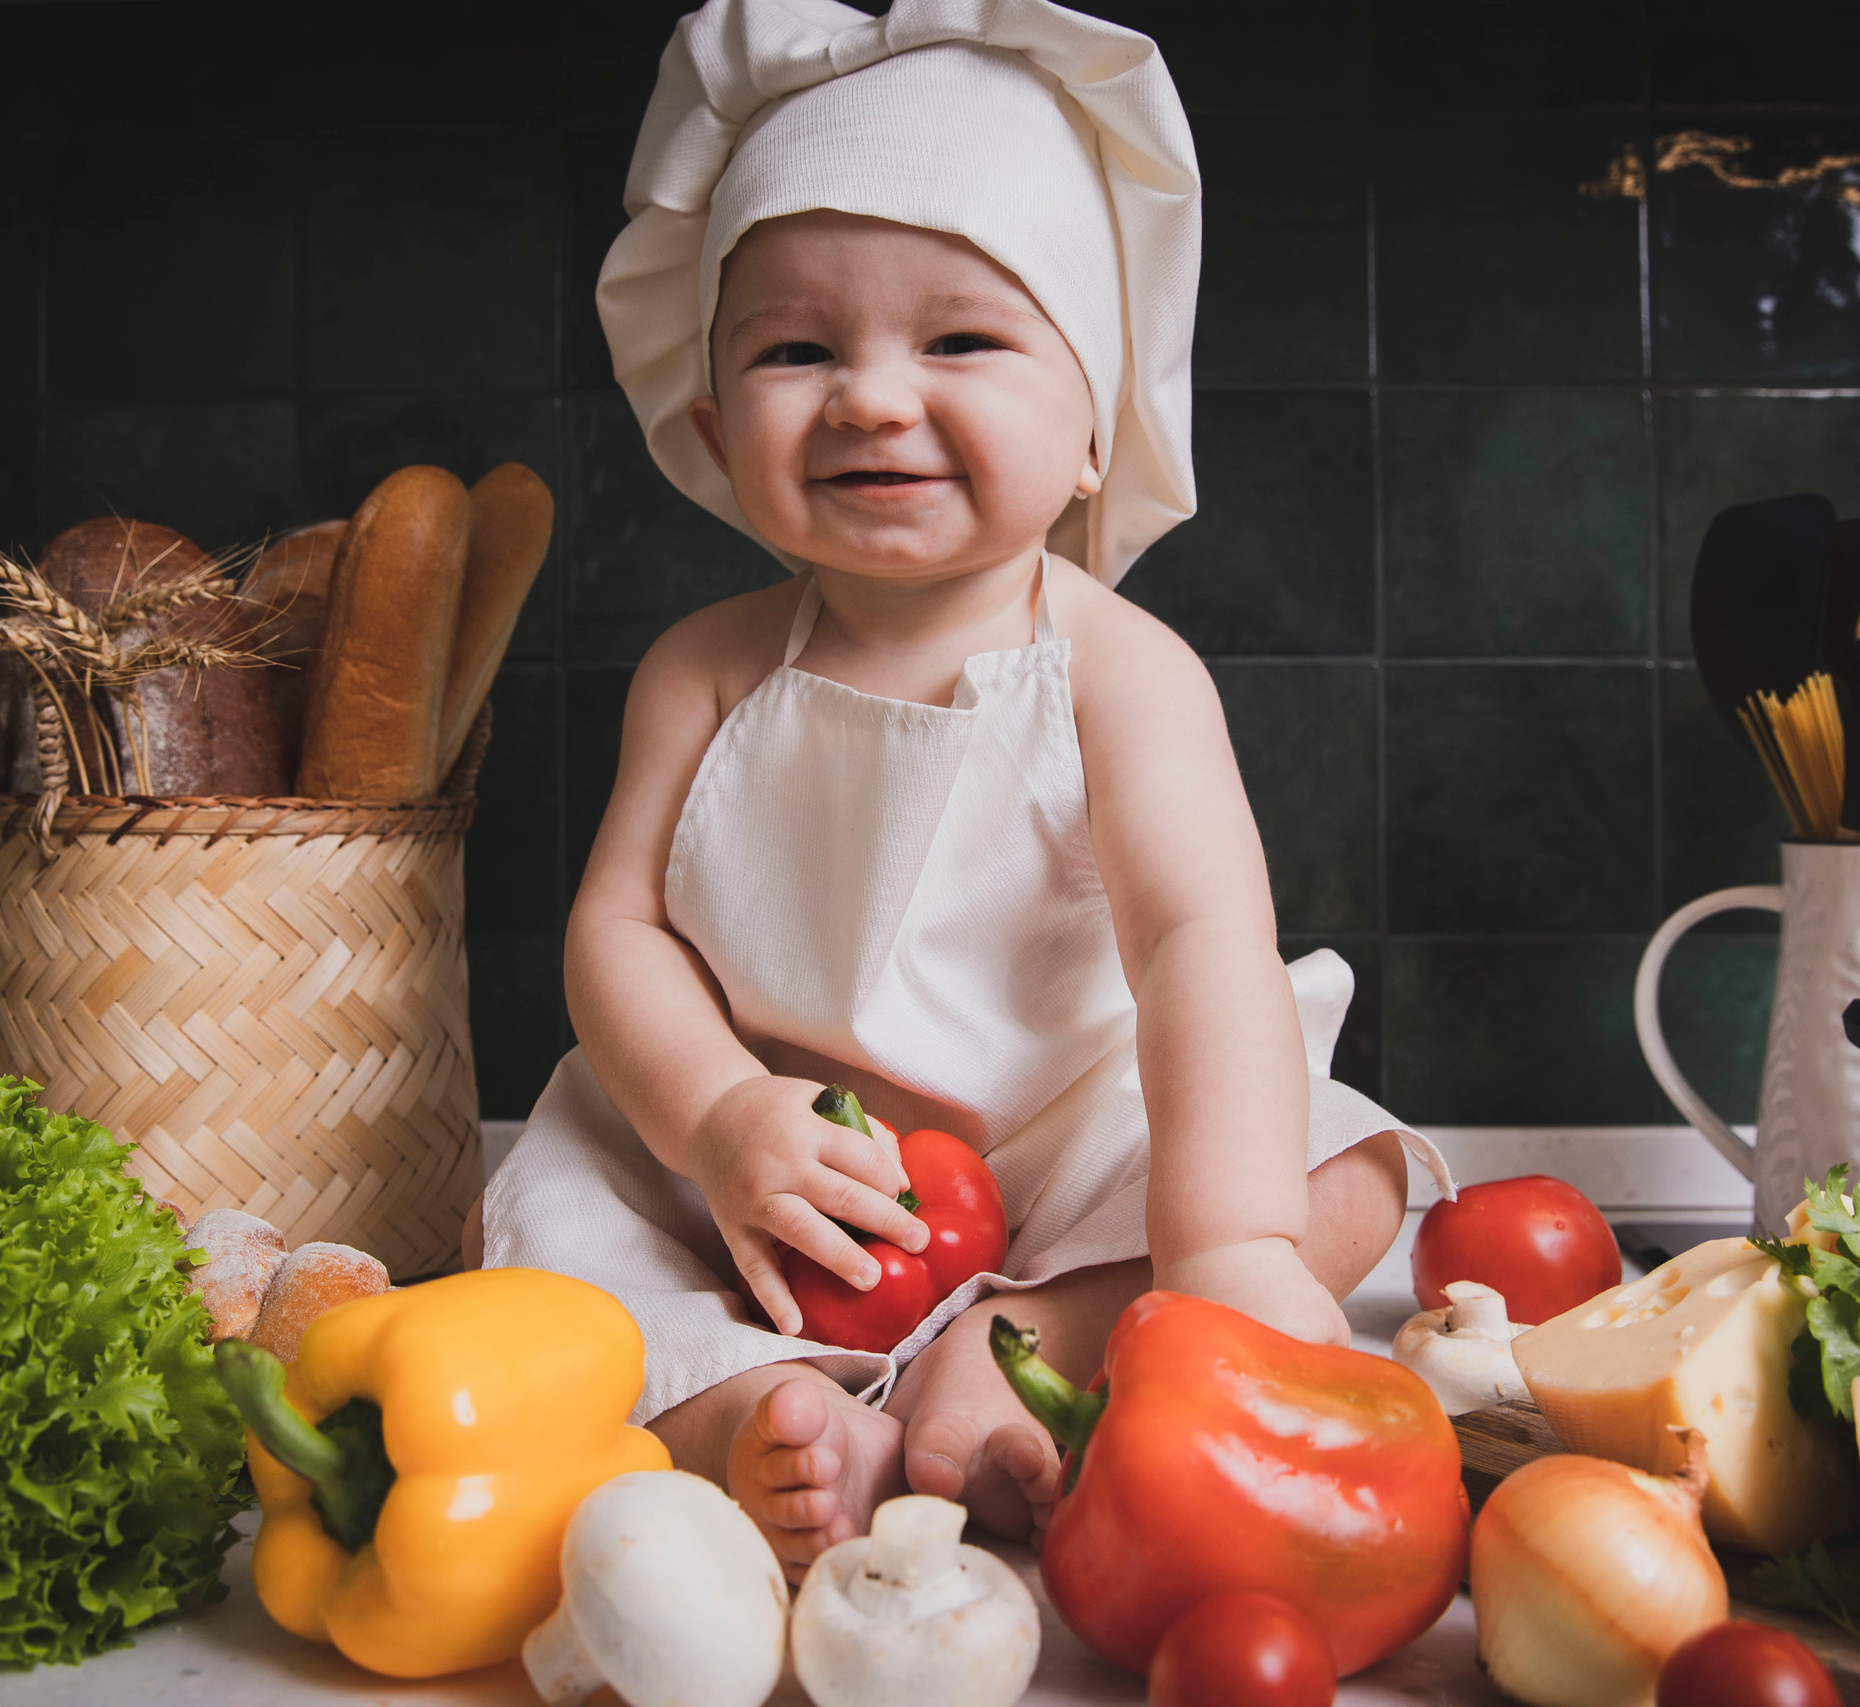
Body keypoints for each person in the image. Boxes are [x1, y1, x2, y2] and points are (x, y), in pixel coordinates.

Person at [480, 0, 1450, 1578]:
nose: (869, 397)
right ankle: (767, 1421)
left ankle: (1015, 1343)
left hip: (1063, 1149)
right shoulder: (703, 669)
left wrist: (1224, 1242)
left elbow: (1199, 944)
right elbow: (618, 934)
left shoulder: (1122, 670)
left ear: (1095, 426)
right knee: (563, 1240)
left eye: (960, 341)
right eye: (798, 350)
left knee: (1340, 1173)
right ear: (716, 428)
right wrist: (718, 1116)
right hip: (779, 1182)